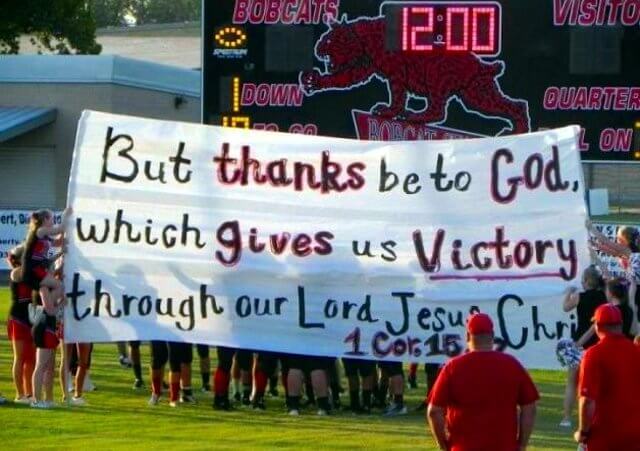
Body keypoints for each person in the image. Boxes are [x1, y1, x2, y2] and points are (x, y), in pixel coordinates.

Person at [427, 313, 539, 451]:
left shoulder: (452, 367)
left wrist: (443, 444)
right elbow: (530, 407)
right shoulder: (512, 365)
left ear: (468, 336)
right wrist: (521, 444)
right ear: (492, 335)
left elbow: (434, 411)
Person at [575, 304, 640, 450]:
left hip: (605, 435)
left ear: (597, 326)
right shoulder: (636, 351)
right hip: (636, 434)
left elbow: (587, 401)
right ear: (621, 325)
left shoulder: (594, 354)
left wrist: (583, 432)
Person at [558, 266, 607, 427]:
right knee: (595, 383)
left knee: (572, 381)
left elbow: (565, 307)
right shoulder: (604, 296)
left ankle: (566, 418)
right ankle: (595, 417)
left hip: (579, 340)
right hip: (597, 341)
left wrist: (568, 293)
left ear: (586, 281)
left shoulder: (579, 296)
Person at [6, 245, 36, 403]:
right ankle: (19, 394)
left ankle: (29, 393)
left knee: (32, 358)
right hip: (18, 318)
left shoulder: (32, 270)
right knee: (20, 357)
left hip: (31, 317)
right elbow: (24, 275)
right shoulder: (16, 272)